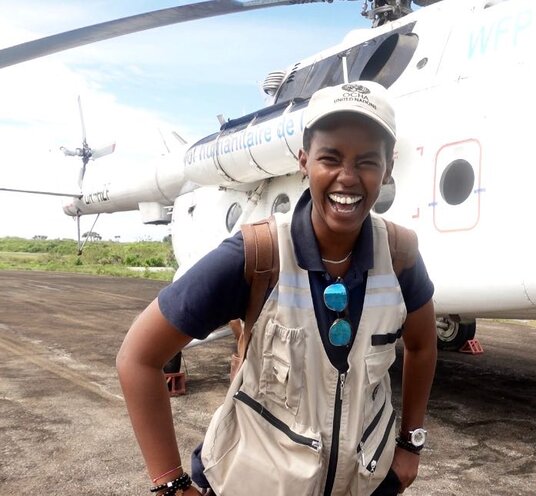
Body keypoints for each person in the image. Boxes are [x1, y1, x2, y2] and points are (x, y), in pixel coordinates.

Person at [117, 80, 437, 496]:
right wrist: (171, 485)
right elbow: (138, 358)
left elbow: (423, 345)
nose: (347, 177)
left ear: (388, 169)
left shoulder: (400, 254)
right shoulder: (256, 254)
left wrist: (410, 441)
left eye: (367, 162)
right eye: (330, 158)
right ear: (304, 161)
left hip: (363, 484)